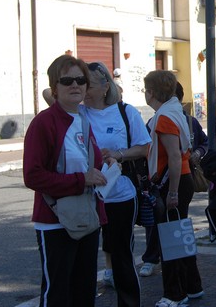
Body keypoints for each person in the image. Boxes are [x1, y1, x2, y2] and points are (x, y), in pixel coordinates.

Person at [23, 55, 110, 307]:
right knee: (58, 293)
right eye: (67, 80)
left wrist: (104, 164)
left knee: (84, 291)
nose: (75, 85)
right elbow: (33, 175)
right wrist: (81, 179)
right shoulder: (44, 123)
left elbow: (86, 166)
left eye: (81, 80)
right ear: (55, 86)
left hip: (87, 217)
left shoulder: (83, 120)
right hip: (55, 221)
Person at [83, 62, 150, 307]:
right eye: (79, 83)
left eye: (88, 84)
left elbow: (144, 148)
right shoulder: (78, 113)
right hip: (87, 196)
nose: (83, 90)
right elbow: (50, 94)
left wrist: (118, 154)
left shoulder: (125, 112)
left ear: (105, 86)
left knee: (121, 255)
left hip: (120, 195)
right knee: (86, 258)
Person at [144, 70, 203, 307]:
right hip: (180, 181)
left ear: (152, 92)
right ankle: (193, 286)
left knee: (170, 241)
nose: (144, 93)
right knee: (180, 236)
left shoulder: (164, 117)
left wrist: (172, 193)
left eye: (145, 89)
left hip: (172, 182)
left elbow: (175, 157)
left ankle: (175, 294)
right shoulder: (174, 110)